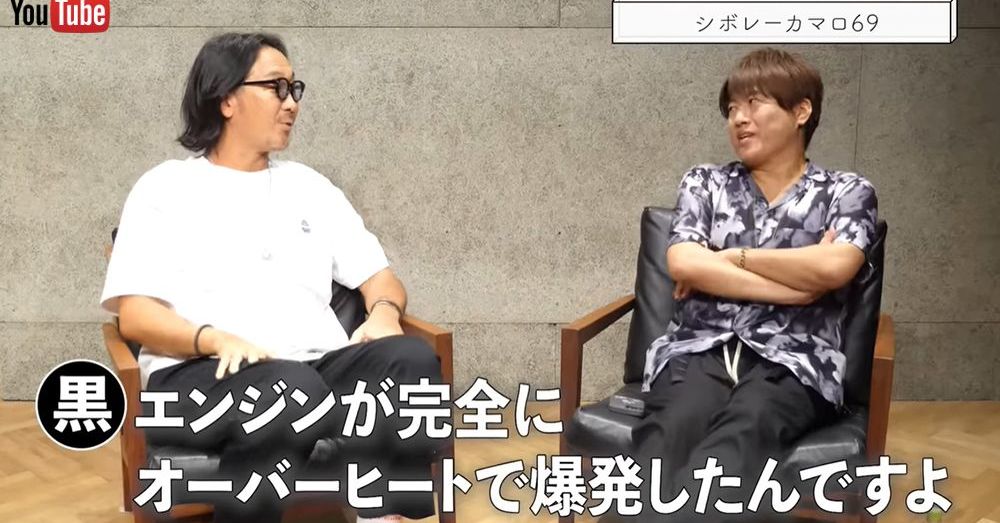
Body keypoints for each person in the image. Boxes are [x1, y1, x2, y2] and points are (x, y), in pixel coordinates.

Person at [100, 32, 444, 523]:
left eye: (294, 88)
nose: (292, 103)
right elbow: (135, 316)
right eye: (275, 87)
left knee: (411, 358)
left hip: (316, 367)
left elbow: (380, 277)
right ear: (226, 99)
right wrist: (214, 339)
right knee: (289, 390)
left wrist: (386, 312)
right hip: (201, 372)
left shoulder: (311, 188)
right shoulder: (164, 189)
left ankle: (383, 515)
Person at [629, 48, 878, 521]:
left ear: (800, 111)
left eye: (754, 103)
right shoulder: (705, 183)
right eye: (731, 109)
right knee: (663, 442)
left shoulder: (846, 192)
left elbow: (834, 268)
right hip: (698, 350)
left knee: (734, 448)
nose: (738, 119)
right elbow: (684, 262)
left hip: (794, 361)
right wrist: (795, 289)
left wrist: (731, 257)